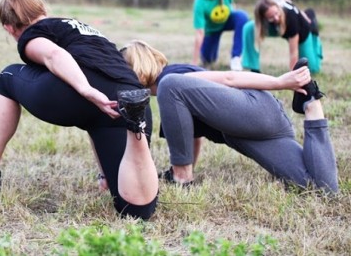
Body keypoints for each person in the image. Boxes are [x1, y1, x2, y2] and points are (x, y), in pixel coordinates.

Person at [0, 0, 159, 220]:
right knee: (135, 211)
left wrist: (86, 90)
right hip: (126, 96)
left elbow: (54, 54)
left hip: (78, 94)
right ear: (42, 11)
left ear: (9, 28)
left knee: (7, 77)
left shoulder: (35, 33)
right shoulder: (85, 29)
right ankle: (135, 127)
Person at [122, 40, 338, 193]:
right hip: (255, 130)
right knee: (320, 188)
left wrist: (280, 83)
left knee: (170, 86)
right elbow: (191, 137)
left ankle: (181, 178)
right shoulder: (176, 96)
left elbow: (229, 77)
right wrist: (186, 168)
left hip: (256, 109)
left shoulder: (171, 78)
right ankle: (311, 102)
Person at [241, 0, 322, 73]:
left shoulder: (291, 17)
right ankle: (254, 68)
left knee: (312, 69)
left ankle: (310, 16)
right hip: (278, 27)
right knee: (249, 27)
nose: (276, 18)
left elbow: (293, 53)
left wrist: (292, 75)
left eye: (276, 13)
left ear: (277, 7)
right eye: (271, 17)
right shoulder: (270, 2)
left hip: (302, 32)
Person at [192, 0, 248, 71]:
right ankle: (208, 55)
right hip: (211, 30)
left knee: (242, 16)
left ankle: (236, 58)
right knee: (208, 60)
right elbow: (199, 33)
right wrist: (194, 63)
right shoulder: (200, 2)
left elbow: (232, 5)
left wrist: (236, 22)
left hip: (227, 21)